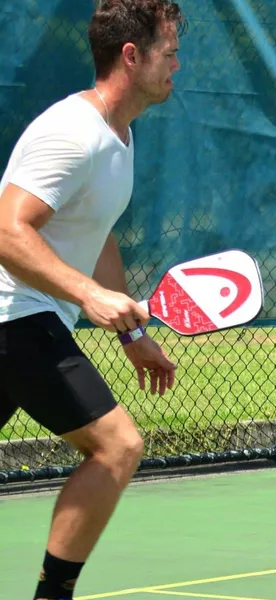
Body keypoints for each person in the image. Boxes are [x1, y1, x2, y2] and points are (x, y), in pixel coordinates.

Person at [0, 2, 184, 598]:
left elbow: (95, 230)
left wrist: (133, 335)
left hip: (29, 315)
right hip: (13, 316)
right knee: (118, 447)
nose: (177, 66)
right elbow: (7, 229)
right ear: (131, 56)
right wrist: (87, 294)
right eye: (170, 52)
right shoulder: (73, 131)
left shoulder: (118, 135)